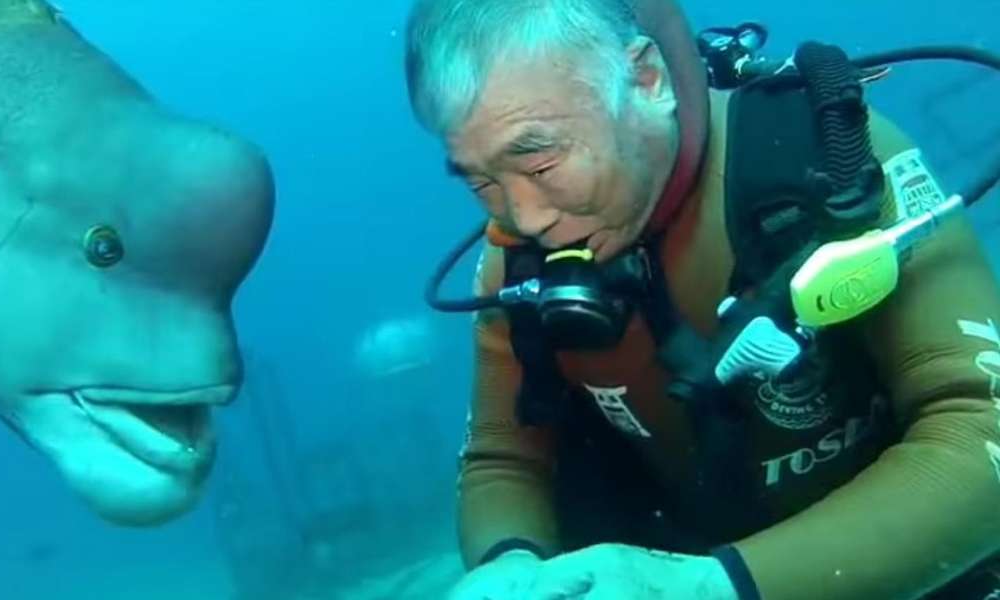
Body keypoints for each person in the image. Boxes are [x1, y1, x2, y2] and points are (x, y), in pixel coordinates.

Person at [402, 0, 1000, 599]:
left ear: (645, 78)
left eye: (541, 161)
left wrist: (715, 586)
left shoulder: (833, 163)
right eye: (481, 180)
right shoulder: (516, 261)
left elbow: (984, 428)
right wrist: (511, 566)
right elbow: (505, 458)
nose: (523, 217)